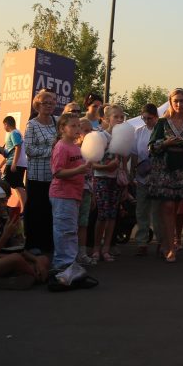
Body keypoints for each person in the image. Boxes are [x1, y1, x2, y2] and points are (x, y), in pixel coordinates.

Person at [147, 88, 183, 263]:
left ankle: (166, 242)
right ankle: (169, 247)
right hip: (164, 170)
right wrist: (166, 142)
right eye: (176, 101)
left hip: (181, 169)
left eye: (182, 101)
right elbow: (151, 146)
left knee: (175, 208)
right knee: (167, 207)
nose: (179, 104)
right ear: (170, 102)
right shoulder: (162, 123)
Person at [50, 112, 93, 274]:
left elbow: (80, 169)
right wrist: (79, 169)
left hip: (73, 194)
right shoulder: (61, 147)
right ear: (62, 128)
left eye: (78, 126)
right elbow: (57, 172)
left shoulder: (75, 147)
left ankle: (69, 262)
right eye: (73, 126)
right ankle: (62, 264)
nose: (77, 129)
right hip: (62, 195)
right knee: (64, 230)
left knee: (71, 229)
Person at [91, 105, 126, 263]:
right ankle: (96, 248)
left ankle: (106, 249)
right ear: (107, 119)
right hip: (101, 179)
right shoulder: (100, 137)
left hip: (115, 180)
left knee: (113, 215)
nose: (119, 120)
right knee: (103, 215)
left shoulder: (121, 138)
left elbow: (123, 162)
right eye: (116, 117)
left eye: (121, 117)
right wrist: (107, 167)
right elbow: (91, 164)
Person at [24, 89, 58, 253]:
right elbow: (29, 150)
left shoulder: (57, 122)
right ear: (38, 105)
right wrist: (52, 151)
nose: (49, 105)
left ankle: (48, 244)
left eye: (52, 102)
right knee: (36, 210)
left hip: (54, 175)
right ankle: (33, 245)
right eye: (46, 102)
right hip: (37, 176)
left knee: (50, 212)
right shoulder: (32, 124)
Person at [131, 104, 161, 256]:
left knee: (157, 211)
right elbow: (134, 153)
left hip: (158, 177)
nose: (147, 121)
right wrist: (133, 173)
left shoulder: (161, 131)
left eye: (149, 118)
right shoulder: (139, 132)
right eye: (144, 118)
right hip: (142, 176)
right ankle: (142, 241)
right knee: (142, 210)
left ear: (156, 117)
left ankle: (160, 241)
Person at [75, 117, 96, 265]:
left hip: (87, 191)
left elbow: (92, 174)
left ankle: (81, 253)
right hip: (73, 192)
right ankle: (70, 253)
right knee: (72, 224)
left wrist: (93, 192)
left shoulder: (91, 151)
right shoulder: (73, 149)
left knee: (83, 223)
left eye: (91, 130)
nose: (89, 133)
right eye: (85, 130)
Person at [0, 115, 27, 189]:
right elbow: (10, 153)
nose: (4, 128)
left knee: (4, 185)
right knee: (17, 186)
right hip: (17, 164)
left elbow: (18, 147)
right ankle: (24, 201)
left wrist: (14, 164)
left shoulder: (14, 133)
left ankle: (3, 200)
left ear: (6, 124)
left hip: (14, 164)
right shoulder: (17, 133)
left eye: (4, 125)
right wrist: (1, 165)